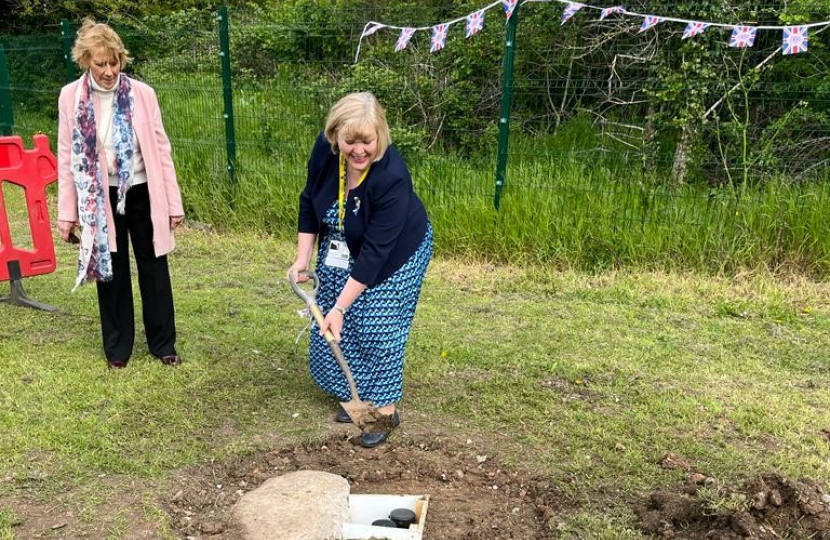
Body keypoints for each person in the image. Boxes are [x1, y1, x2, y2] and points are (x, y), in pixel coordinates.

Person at [290, 92, 433, 448]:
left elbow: (375, 253)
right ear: (335, 136)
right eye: (349, 141)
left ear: (380, 136)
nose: (358, 150)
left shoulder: (392, 177)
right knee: (340, 326)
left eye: (366, 141)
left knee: (375, 324)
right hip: (341, 238)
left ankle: (383, 412)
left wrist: (340, 307)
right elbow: (309, 200)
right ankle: (356, 395)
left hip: (395, 251)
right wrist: (302, 259)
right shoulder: (325, 152)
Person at [56, 19, 185, 369]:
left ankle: (164, 344)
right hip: (100, 197)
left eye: (115, 62)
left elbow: (162, 149)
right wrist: (66, 214)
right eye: (101, 64)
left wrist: (174, 203)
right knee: (110, 269)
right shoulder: (70, 96)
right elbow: (67, 154)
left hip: (143, 190)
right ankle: (118, 348)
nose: (110, 71)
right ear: (85, 61)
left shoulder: (143, 94)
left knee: (154, 266)